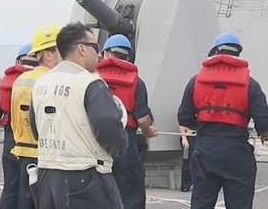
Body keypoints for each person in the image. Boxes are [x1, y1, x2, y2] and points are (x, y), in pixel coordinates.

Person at [29, 22, 128, 208]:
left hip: (47, 176)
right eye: (95, 48)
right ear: (82, 48)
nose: (99, 54)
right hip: (86, 176)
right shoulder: (90, 83)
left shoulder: (41, 83)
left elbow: (36, 129)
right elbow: (107, 125)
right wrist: (120, 145)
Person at [178, 32, 268, 209]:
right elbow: (263, 121)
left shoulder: (196, 82)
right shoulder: (251, 84)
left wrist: (204, 126)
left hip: (205, 150)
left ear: (214, 53)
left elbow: (184, 117)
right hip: (237, 152)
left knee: (201, 203)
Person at [97, 34, 157, 209]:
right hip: (125, 142)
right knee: (132, 192)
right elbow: (142, 119)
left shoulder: (93, 78)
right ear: (128, 56)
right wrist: (148, 132)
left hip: (95, 141)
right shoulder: (137, 83)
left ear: (106, 53)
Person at [10, 24, 63, 209]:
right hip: (47, 155)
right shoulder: (54, 81)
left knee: (25, 201)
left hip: (23, 152)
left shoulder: (20, 80)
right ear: (48, 54)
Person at [0, 44, 38, 209]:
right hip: (32, 144)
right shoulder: (41, 80)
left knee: (10, 188)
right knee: (29, 190)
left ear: (18, 60)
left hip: (10, 141)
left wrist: (6, 123)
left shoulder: (4, 82)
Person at [179, 125, 196, 192]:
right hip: (189, 136)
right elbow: (181, 124)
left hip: (201, 136)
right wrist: (184, 138)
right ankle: (186, 184)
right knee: (188, 161)